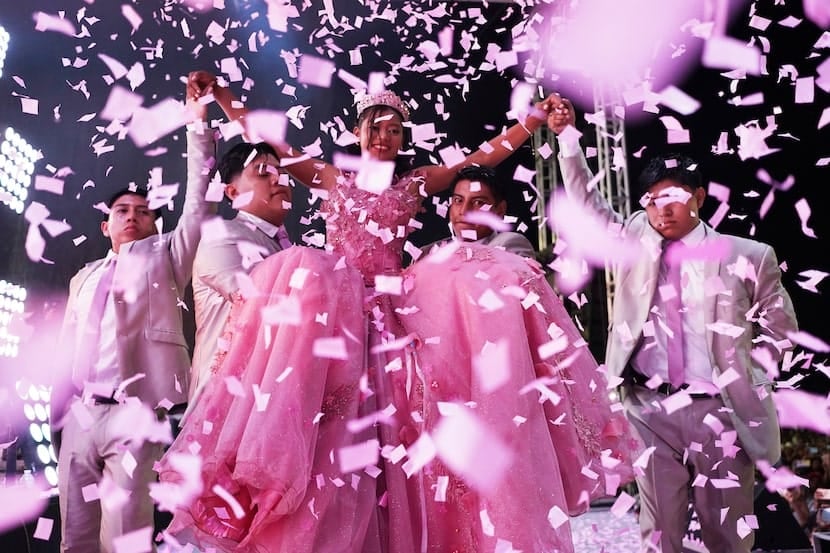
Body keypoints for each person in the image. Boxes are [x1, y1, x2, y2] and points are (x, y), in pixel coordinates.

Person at [168, 74, 638, 552]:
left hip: (399, 317)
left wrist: (532, 121)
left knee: (409, 424)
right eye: (375, 128)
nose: (383, 137)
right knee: (334, 427)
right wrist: (226, 101)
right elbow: (272, 142)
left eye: (394, 130)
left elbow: (484, 156)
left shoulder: (418, 181)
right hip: (340, 317)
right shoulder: (333, 179)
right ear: (358, 132)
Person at [549, 97, 798, 553]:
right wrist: (567, 138)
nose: (662, 210)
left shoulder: (748, 255)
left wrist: (752, 378)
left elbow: (779, 328)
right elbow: (586, 204)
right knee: (660, 533)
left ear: (699, 199)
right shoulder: (632, 239)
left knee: (727, 534)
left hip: (719, 411)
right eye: (653, 200)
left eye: (674, 198)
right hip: (649, 408)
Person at [50, 84, 216, 553]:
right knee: (75, 537)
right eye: (122, 211)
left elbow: (199, 201)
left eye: (143, 213)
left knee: (125, 537)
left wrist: (197, 122)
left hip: (135, 412)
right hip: (81, 414)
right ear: (105, 224)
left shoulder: (166, 258)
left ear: (154, 224)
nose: (133, 217)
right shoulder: (83, 277)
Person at [188, 136, 293, 406]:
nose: (277, 180)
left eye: (281, 174)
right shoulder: (220, 235)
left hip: (272, 396)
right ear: (232, 192)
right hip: (223, 400)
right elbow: (262, 302)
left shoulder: (286, 245)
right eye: (263, 173)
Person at [421, 164, 535, 258]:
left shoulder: (510, 244)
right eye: (458, 200)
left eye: (478, 202)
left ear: (500, 210)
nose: (464, 211)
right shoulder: (427, 253)